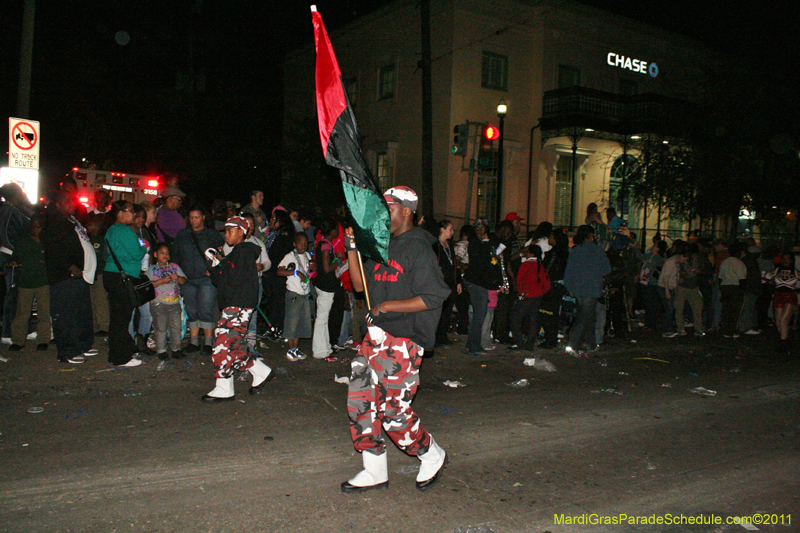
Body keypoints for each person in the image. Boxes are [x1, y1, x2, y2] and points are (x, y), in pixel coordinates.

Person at [341, 186, 451, 493]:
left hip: (403, 341)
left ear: (406, 210)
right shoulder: (380, 245)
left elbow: (433, 296)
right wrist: (352, 248)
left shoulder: (418, 248)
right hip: (373, 338)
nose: (380, 216)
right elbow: (361, 287)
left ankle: (431, 453)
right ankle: (373, 469)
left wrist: (387, 307)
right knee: (360, 402)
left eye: (386, 209)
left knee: (394, 415)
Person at [202, 216, 273, 402]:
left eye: (230, 230)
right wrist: (217, 264)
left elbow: (232, 278)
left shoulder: (244, 251)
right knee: (233, 344)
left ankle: (224, 386)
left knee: (222, 344)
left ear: (242, 231)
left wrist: (219, 263)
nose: (226, 235)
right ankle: (260, 371)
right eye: (225, 231)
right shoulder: (236, 254)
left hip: (238, 305)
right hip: (235, 303)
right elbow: (221, 280)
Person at [42, 191, 96, 364]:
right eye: (66, 201)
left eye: (72, 200)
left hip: (81, 275)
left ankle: (81, 346)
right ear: (57, 205)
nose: (71, 203)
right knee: (67, 316)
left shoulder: (72, 221)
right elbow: (54, 250)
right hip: (66, 276)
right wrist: (71, 268)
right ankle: (67, 352)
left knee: (81, 314)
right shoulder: (54, 223)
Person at [172, 206, 225, 355]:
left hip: (206, 279)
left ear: (203, 217)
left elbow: (220, 254)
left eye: (196, 217)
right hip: (187, 278)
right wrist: (178, 274)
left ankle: (208, 343)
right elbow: (176, 256)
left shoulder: (212, 235)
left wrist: (214, 270)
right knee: (192, 311)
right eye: (191, 217)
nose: (193, 220)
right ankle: (194, 342)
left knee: (206, 310)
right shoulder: (183, 235)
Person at [104, 200, 147, 367]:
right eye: (130, 210)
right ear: (120, 213)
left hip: (112, 275)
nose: (133, 214)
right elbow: (137, 254)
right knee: (122, 319)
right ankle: (121, 358)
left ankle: (115, 354)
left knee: (116, 318)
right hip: (122, 277)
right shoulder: (124, 230)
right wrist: (144, 248)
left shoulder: (111, 230)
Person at [562, 225, 610, 356]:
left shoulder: (575, 250)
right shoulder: (597, 250)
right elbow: (607, 270)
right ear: (591, 235)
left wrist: (570, 288)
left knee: (588, 316)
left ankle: (591, 344)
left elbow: (568, 272)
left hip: (577, 289)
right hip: (592, 288)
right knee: (584, 317)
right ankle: (573, 345)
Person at [8, 213, 50, 351]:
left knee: (43, 312)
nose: (35, 230)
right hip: (25, 282)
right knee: (22, 313)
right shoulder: (23, 241)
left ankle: (43, 339)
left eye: (38, 227)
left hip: (43, 281)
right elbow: (16, 257)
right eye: (33, 227)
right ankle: (18, 340)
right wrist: (14, 261)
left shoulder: (47, 242)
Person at [462, 218, 502, 355]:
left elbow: (491, 260)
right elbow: (481, 261)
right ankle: (474, 346)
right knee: (479, 316)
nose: (479, 231)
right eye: (477, 228)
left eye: (481, 228)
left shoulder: (488, 243)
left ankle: (472, 345)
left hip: (482, 283)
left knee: (480, 315)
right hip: (476, 282)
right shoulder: (475, 243)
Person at [0, 183, 33, 344]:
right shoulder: (9, 210)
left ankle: (21, 329)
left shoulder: (16, 209)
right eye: (21, 192)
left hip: (14, 256)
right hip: (10, 258)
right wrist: (16, 254)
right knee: (12, 296)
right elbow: (6, 235)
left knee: (20, 295)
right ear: (15, 194)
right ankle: (7, 332)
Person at [146, 243, 187, 362]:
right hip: (158, 303)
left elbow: (184, 280)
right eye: (161, 253)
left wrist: (177, 278)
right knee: (161, 327)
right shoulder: (152, 269)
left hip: (174, 302)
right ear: (155, 254)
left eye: (167, 253)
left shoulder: (174, 267)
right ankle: (161, 350)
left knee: (176, 327)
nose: (165, 255)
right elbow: (148, 285)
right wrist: (161, 281)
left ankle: (176, 349)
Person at [277, 232, 314, 361]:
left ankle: (295, 348)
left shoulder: (307, 255)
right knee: (292, 322)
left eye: (305, 244)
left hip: (304, 293)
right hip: (294, 294)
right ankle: (290, 349)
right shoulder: (290, 256)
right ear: (294, 244)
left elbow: (310, 270)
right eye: (300, 243)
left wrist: (313, 268)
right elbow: (279, 271)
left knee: (301, 323)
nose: (303, 246)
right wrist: (295, 272)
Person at [312, 218, 345, 361]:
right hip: (326, 285)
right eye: (337, 229)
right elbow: (326, 268)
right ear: (332, 231)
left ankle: (324, 348)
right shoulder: (326, 245)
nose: (339, 231)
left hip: (323, 284)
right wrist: (338, 262)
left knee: (323, 318)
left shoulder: (324, 243)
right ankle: (319, 350)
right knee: (322, 318)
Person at [262, 209, 296, 338]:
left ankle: (278, 329)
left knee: (278, 303)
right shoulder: (272, 234)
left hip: (278, 275)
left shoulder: (285, 236)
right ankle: (271, 327)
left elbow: (278, 256)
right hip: (269, 274)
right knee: (271, 303)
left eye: (274, 219)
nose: (271, 221)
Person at [511, 244, 550, 351]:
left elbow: (519, 280)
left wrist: (521, 293)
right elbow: (546, 283)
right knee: (533, 320)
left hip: (527, 295)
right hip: (537, 296)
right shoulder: (540, 266)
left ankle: (520, 342)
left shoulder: (525, 265)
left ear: (531, 253)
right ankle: (530, 344)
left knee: (515, 319)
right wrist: (541, 292)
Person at [433, 219, 461, 345]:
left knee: (447, 311)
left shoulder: (449, 245)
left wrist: (458, 281)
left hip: (451, 282)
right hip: (440, 282)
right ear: (442, 229)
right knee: (440, 310)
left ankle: (443, 336)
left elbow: (455, 264)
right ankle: (436, 337)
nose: (452, 232)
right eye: (450, 229)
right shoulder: (435, 245)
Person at [765, 252, 798, 352]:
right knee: (778, 321)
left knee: (784, 319)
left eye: (788, 258)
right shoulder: (777, 270)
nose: (785, 260)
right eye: (784, 258)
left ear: (791, 260)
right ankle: (785, 338)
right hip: (779, 296)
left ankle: (783, 342)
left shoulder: (795, 271)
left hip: (790, 296)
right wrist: (767, 276)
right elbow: (764, 280)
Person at [719, 242, 747, 339]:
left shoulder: (724, 262)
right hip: (735, 288)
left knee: (726, 309)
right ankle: (731, 331)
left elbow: (720, 277)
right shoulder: (739, 263)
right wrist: (743, 290)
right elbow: (742, 279)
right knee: (735, 311)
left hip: (725, 287)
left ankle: (725, 330)